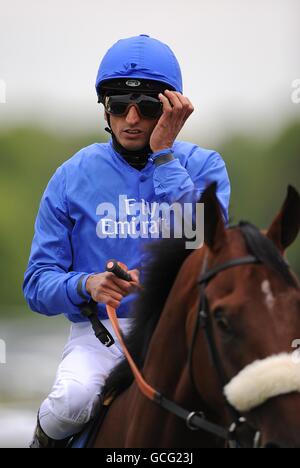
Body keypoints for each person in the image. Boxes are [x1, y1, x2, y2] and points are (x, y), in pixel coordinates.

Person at [23, 34, 231, 448]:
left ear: (172, 109)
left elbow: (205, 246)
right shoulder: (70, 176)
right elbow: (36, 284)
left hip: (183, 334)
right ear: (106, 109)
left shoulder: (206, 165)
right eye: (119, 106)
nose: (131, 119)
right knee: (71, 400)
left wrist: (165, 157)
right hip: (100, 336)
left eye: (148, 108)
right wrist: (86, 285)